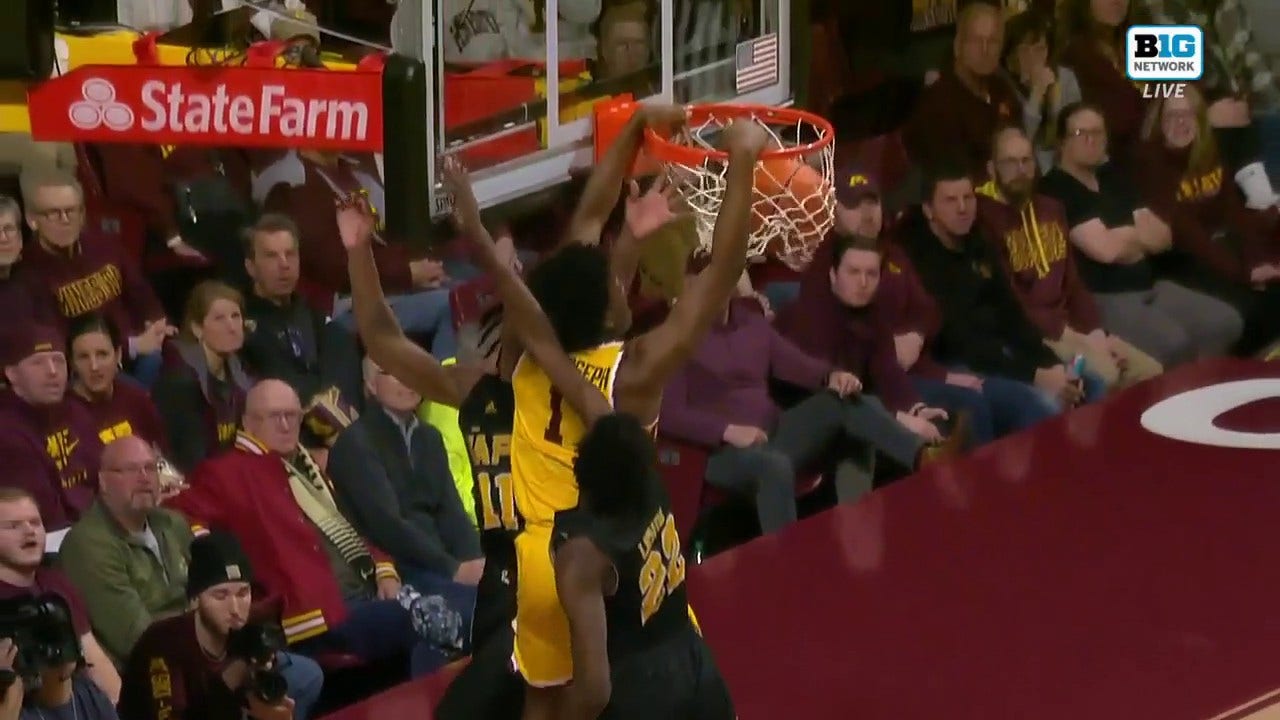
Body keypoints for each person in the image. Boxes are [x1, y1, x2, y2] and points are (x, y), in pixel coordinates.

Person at [507, 107, 766, 717]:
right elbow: (722, 273)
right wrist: (744, 159)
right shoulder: (636, 374)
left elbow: (587, 221)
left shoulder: (532, 347)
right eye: (616, 288)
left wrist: (632, 131)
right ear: (605, 312)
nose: (624, 286)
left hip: (541, 552)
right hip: (599, 559)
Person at [553, 412, 734, 719]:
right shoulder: (650, 484)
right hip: (695, 666)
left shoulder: (583, 553)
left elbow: (594, 691)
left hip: (641, 695)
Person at [1040, 103, 1244, 366]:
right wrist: (1138, 237)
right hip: (1105, 298)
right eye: (1081, 133)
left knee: (1225, 322)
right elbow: (1106, 250)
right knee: (1173, 343)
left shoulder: (1113, 177)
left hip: (1150, 286)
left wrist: (1124, 236)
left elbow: (1163, 237)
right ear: (1061, 142)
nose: (1092, 140)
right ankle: (1172, 399)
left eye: (1098, 133)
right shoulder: (1056, 188)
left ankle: (1203, 389)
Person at [979, 125, 1162, 390]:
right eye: (1009, 162)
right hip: (1039, 337)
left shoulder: (1052, 209)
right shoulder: (985, 219)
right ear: (991, 168)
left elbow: (1073, 282)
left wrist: (1097, 334)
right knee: (1107, 375)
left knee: (1150, 371)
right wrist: (1077, 338)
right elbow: (1011, 302)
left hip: (1074, 329)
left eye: (1026, 161)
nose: (1020, 170)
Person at [119, 531, 323, 720]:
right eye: (220, 595)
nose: (234, 608)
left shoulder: (243, 627)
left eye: (243, 593)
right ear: (195, 600)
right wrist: (230, 681)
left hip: (222, 705)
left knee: (306, 674)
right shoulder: (164, 644)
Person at [57, 436, 195, 666]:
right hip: (145, 674)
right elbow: (136, 638)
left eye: (150, 468)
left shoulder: (173, 523)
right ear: (103, 481)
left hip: (197, 654)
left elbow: (209, 591)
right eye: (130, 470)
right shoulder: (88, 545)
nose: (144, 478)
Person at [0, 488, 120, 702]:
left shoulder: (56, 583)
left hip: (79, 701)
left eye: (35, 523)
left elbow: (93, 656)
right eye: (13, 526)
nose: (29, 531)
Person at [0, 325, 103, 538]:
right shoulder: (7, 432)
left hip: (98, 530)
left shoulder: (76, 411)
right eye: (38, 363)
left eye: (58, 360)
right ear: (12, 374)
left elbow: (104, 476)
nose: (53, 371)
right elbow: (46, 515)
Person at [153, 281, 253, 472]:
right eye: (219, 319)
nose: (232, 327)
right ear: (197, 329)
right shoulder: (180, 382)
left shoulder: (240, 372)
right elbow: (191, 461)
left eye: (235, 316)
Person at [65, 314, 168, 450]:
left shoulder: (137, 400)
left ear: (118, 354)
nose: (94, 366)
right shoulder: (63, 413)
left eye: (102, 354)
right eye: (83, 357)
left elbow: (161, 456)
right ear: (72, 363)